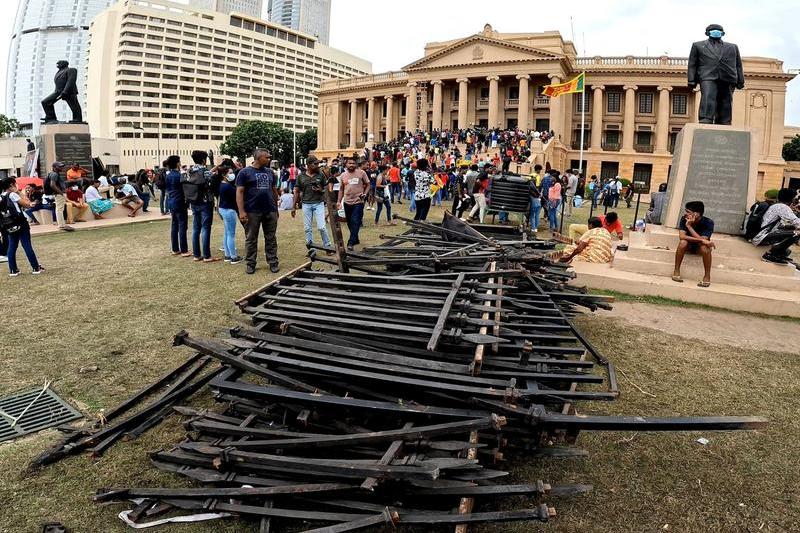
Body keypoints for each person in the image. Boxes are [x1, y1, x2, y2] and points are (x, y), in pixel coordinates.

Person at [236, 148, 280, 274]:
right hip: (252, 211)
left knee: (271, 238)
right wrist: (241, 211)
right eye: (267, 157)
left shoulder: (270, 172)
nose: (269, 159)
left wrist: (276, 208)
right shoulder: (244, 172)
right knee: (251, 238)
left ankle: (273, 262)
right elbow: (239, 192)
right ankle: (250, 263)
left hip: (270, 210)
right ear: (258, 158)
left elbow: (274, 190)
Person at [0, 177, 44, 276]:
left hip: (8, 224)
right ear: (11, 185)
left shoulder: (1, 196)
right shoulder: (13, 195)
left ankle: (13, 270)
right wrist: (19, 192)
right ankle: (36, 267)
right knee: (26, 244)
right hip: (20, 222)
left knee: (12, 246)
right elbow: (28, 204)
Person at [183, 150, 217, 262]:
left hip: (193, 201)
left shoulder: (189, 171)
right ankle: (207, 255)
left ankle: (197, 255)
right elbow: (211, 182)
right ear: (203, 160)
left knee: (196, 228)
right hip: (206, 202)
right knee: (206, 228)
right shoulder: (205, 171)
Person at [292, 155, 332, 250]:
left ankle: (327, 246)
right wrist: (293, 207)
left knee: (322, 227)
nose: (318, 165)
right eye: (315, 164)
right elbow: (296, 191)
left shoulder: (320, 175)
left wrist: (320, 190)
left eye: (318, 163)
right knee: (307, 228)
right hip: (306, 204)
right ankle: (311, 248)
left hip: (319, 203)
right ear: (308, 165)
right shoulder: (301, 176)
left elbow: (327, 189)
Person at [751, 188, 800, 264]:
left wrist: (790, 227)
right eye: (794, 199)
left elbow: (780, 225)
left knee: (793, 231)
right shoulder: (783, 207)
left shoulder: (776, 206)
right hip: (762, 237)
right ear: (791, 199)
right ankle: (771, 254)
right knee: (797, 233)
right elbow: (796, 221)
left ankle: (780, 254)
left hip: (760, 235)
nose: (795, 201)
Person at [672, 201, 715, 287]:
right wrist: (703, 240)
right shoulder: (684, 218)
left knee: (705, 248)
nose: (686, 214)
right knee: (682, 243)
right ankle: (676, 271)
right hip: (688, 245)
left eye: (688, 212)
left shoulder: (708, 222)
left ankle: (707, 276)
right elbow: (682, 236)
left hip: (699, 247)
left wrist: (689, 226)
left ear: (696, 214)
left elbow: (703, 240)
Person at [336, 156, 370, 251]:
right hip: (347, 202)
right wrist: (339, 201)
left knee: (355, 221)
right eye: (349, 163)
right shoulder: (343, 175)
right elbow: (341, 189)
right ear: (346, 164)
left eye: (353, 163)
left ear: (356, 164)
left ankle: (350, 242)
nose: (351, 165)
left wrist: (365, 194)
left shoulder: (361, 173)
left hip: (358, 201)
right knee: (350, 223)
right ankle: (356, 239)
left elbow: (368, 184)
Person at [165, 155, 189, 256]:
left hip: (171, 201)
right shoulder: (179, 175)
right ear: (177, 163)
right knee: (182, 225)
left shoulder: (168, 175)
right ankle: (184, 250)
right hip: (180, 201)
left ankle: (175, 249)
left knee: (174, 225)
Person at [218, 168, 242, 264]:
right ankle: (233, 257)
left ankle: (227, 255)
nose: (232, 175)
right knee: (231, 234)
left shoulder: (222, 184)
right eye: (230, 173)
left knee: (227, 233)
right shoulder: (228, 187)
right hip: (229, 210)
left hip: (223, 209)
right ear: (224, 175)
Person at [46, 161, 74, 232]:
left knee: (59, 209)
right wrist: (61, 193)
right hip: (58, 194)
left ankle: (62, 225)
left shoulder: (53, 174)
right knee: (60, 209)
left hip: (58, 194)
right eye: (59, 166)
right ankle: (62, 225)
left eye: (62, 166)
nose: (61, 168)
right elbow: (52, 185)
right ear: (54, 167)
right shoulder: (54, 174)